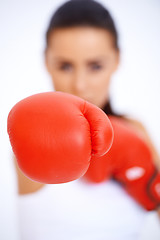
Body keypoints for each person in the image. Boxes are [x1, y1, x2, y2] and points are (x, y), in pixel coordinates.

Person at [13, 0, 160, 239]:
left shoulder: (136, 129)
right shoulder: (30, 133)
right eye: (65, 66)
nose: (80, 85)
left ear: (117, 60)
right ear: (46, 61)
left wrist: (149, 182)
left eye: (95, 66)